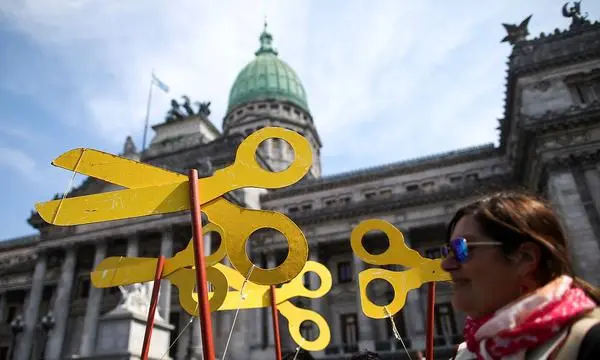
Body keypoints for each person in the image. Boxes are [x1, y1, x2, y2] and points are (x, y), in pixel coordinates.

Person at [441, 191, 600, 359]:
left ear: (525, 258)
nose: (446, 264)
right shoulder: (472, 353)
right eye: (448, 251)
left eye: (462, 249)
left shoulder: (588, 343)